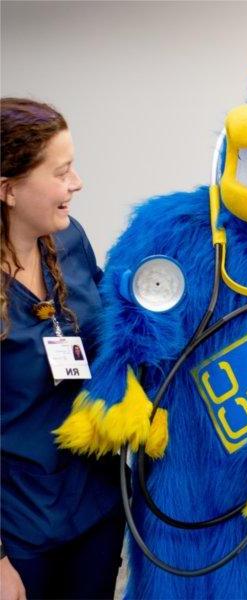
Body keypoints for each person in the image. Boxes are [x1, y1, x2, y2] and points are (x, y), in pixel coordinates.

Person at [0, 98, 124, 600]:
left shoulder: (70, 241)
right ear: (8, 189)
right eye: (62, 171)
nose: (77, 183)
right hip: (20, 527)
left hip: (95, 503)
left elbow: (109, 329)